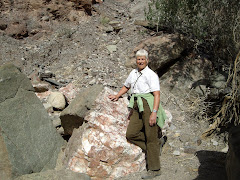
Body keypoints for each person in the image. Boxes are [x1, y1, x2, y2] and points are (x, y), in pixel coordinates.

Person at [108, 49, 166, 179]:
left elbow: (157, 95)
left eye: (143, 59)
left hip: (148, 104)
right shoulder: (133, 72)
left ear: (147, 60)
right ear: (136, 60)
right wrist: (117, 95)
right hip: (136, 104)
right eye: (138, 59)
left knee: (150, 136)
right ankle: (155, 147)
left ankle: (155, 169)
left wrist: (154, 113)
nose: (140, 61)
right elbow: (127, 86)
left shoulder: (151, 75)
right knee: (131, 134)